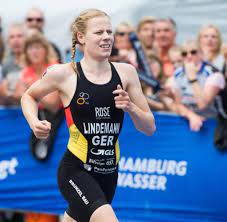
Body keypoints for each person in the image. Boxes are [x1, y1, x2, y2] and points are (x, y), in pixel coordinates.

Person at [21, 9, 155, 222]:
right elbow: (28, 96)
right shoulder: (64, 73)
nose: (106, 37)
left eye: (109, 32)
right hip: (76, 170)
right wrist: (34, 121)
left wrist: (131, 107)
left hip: (109, 173)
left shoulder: (126, 73)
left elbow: (149, 127)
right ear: (81, 37)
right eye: (99, 32)